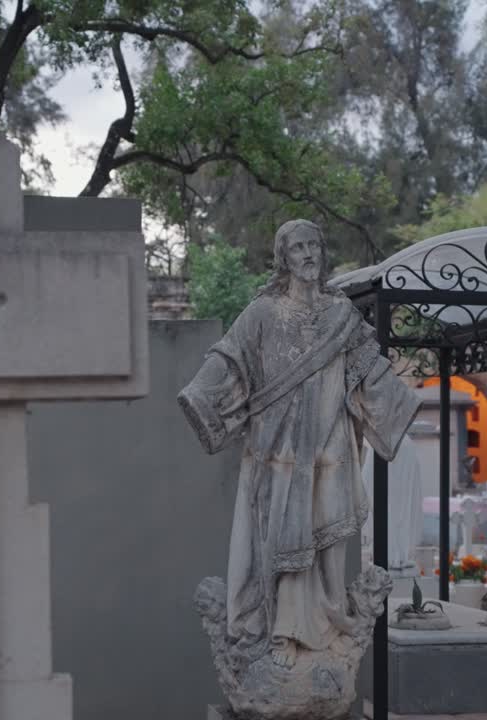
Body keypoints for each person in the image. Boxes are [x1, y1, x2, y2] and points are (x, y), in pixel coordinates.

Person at [178, 219, 421, 668]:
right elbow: (229, 357)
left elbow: (369, 368)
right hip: (278, 451)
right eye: (298, 248)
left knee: (327, 543)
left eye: (314, 246)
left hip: (331, 447)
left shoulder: (342, 314)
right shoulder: (263, 313)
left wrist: (398, 403)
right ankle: (283, 634)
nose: (308, 254)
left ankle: (324, 630)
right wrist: (201, 395)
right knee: (283, 540)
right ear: (283, 258)